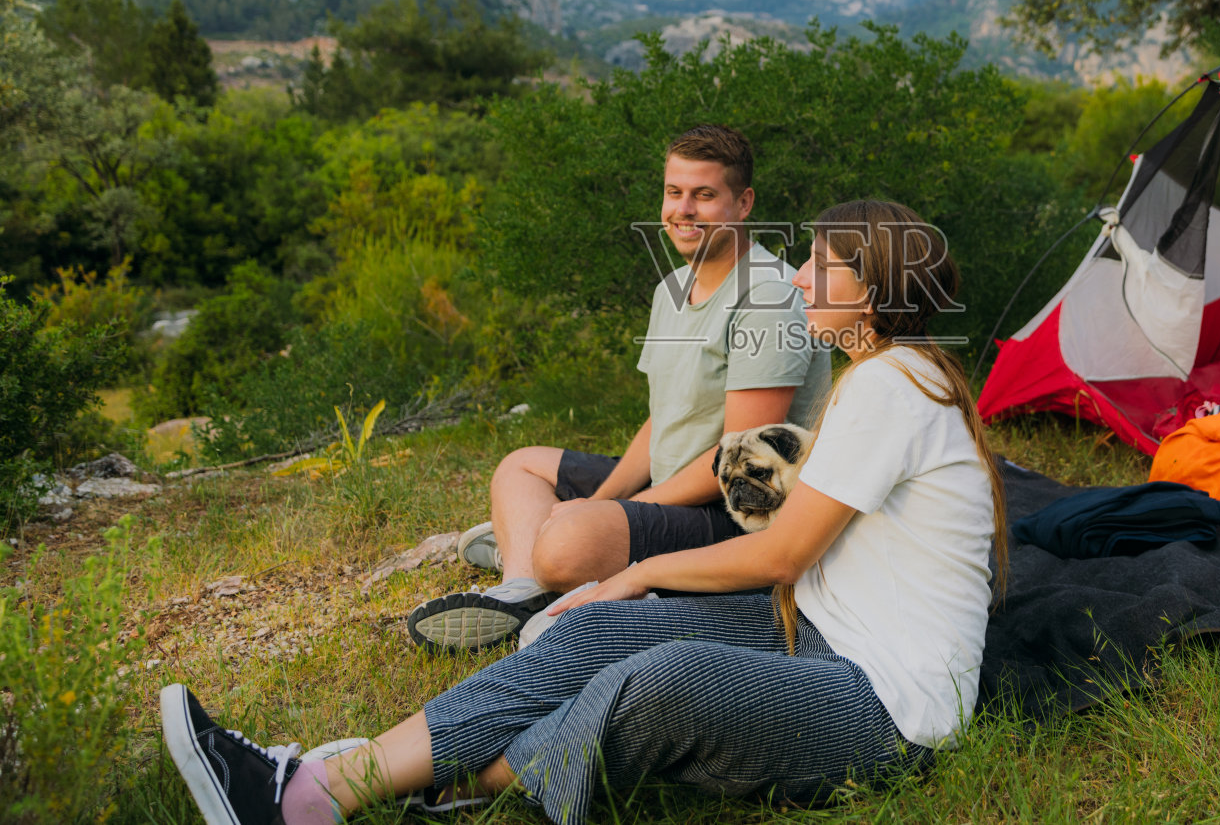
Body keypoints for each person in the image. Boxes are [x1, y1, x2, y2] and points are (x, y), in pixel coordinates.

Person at [159, 199, 1008, 825]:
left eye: (821, 266)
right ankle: (313, 788)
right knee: (595, 631)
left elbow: (782, 555)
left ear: (873, 289)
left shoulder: (895, 382)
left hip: (890, 707)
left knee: (665, 679)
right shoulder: (881, 375)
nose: (796, 278)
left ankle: (425, 783)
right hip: (816, 629)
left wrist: (637, 572)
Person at [409, 123, 830, 651]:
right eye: (674, 192)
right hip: (674, 481)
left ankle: (545, 557)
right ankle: (520, 591)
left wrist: (618, 511)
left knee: (568, 542)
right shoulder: (671, 289)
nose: (684, 210)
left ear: (743, 203)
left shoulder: (768, 296)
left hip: (734, 511)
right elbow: (664, 417)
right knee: (520, 466)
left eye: (704, 195)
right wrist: (604, 500)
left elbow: (741, 461)